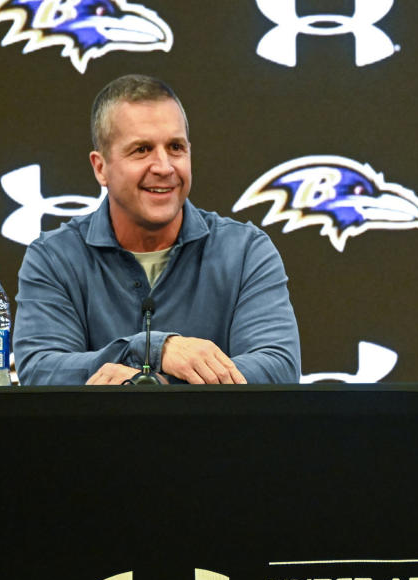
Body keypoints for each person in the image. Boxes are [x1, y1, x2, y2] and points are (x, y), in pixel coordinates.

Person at [15, 74, 300, 385]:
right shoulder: (54, 257)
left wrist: (153, 385)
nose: (164, 167)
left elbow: (277, 368)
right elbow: (42, 370)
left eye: (175, 147)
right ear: (101, 167)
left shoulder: (246, 251)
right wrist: (153, 350)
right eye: (142, 150)